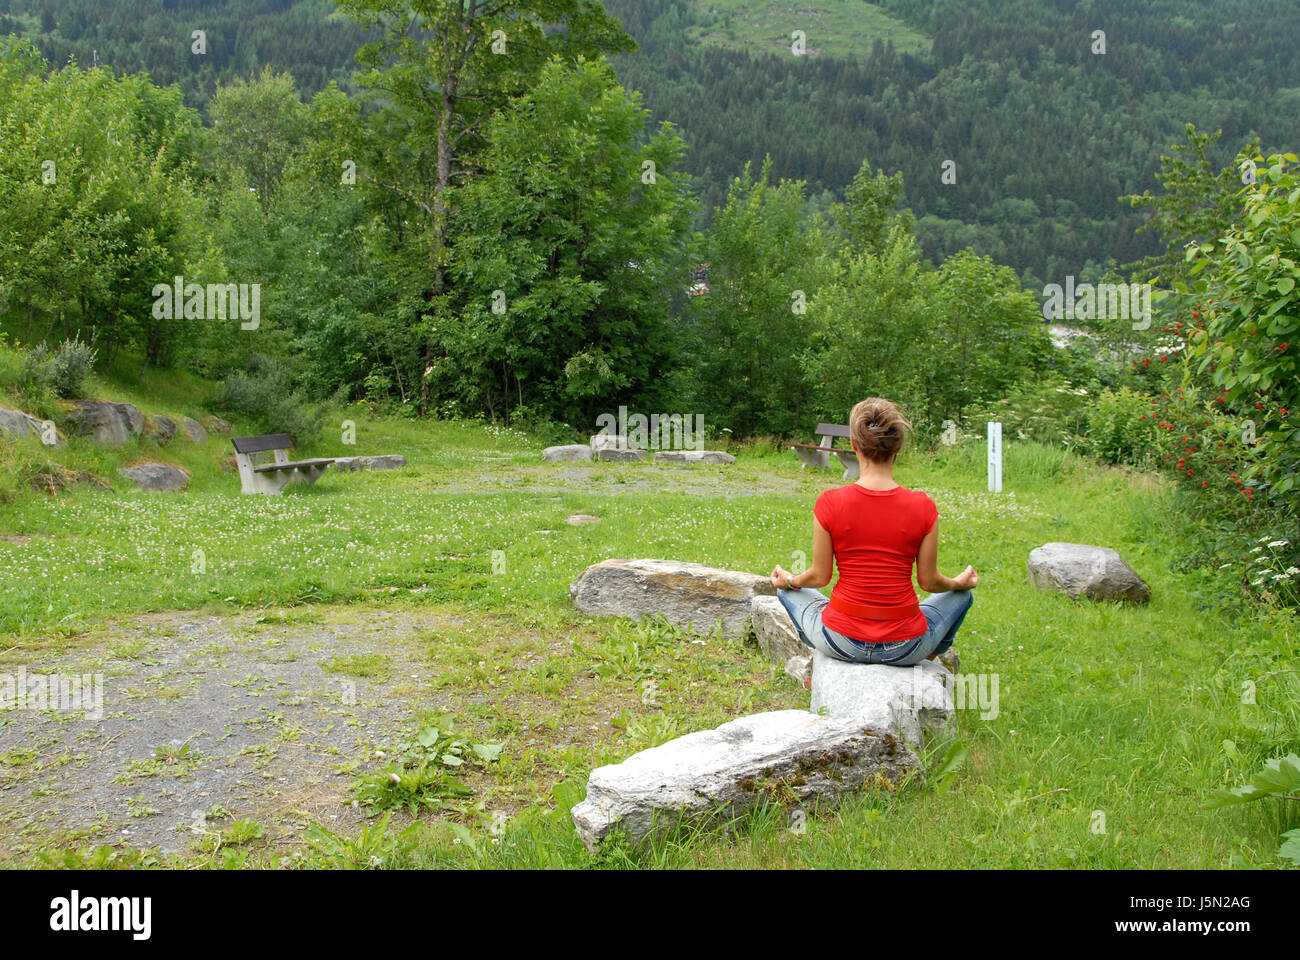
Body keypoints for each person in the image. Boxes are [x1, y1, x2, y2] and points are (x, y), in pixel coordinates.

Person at [770, 397, 977, 666]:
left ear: (854, 445)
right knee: (963, 595)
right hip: (905, 647)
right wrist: (957, 584)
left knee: (787, 591)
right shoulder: (923, 506)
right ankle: (930, 652)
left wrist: (789, 580)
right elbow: (929, 582)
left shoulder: (830, 502)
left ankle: (821, 659)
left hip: (840, 640)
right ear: (897, 448)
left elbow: (820, 577)